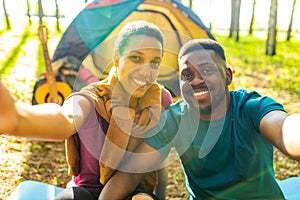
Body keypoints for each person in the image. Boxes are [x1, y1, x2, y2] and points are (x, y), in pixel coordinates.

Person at [98, 38, 300, 200]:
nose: (196, 80)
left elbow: (285, 129)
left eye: (207, 70)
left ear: (227, 76)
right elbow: (131, 174)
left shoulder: (251, 107)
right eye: (187, 74)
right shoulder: (174, 120)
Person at [0, 20, 173, 200]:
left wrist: (159, 196)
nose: (145, 71)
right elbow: (65, 118)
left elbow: (157, 157)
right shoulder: (93, 98)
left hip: (134, 194)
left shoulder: (160, 100)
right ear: (116, 58)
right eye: (135, 58)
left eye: (154, 63)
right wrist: (17, 118)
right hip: (85, 194)